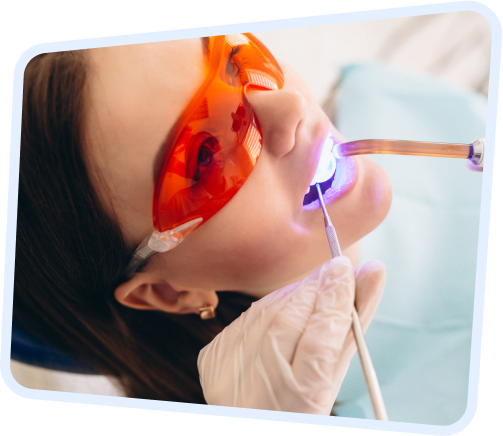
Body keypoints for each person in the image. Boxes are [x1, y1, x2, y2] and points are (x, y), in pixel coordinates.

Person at [14, 34, 392, 411]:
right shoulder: (269, 407)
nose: (289, 105)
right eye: (205, 160)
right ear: (172, 294)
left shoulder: (384, 95)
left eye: (236, 61)